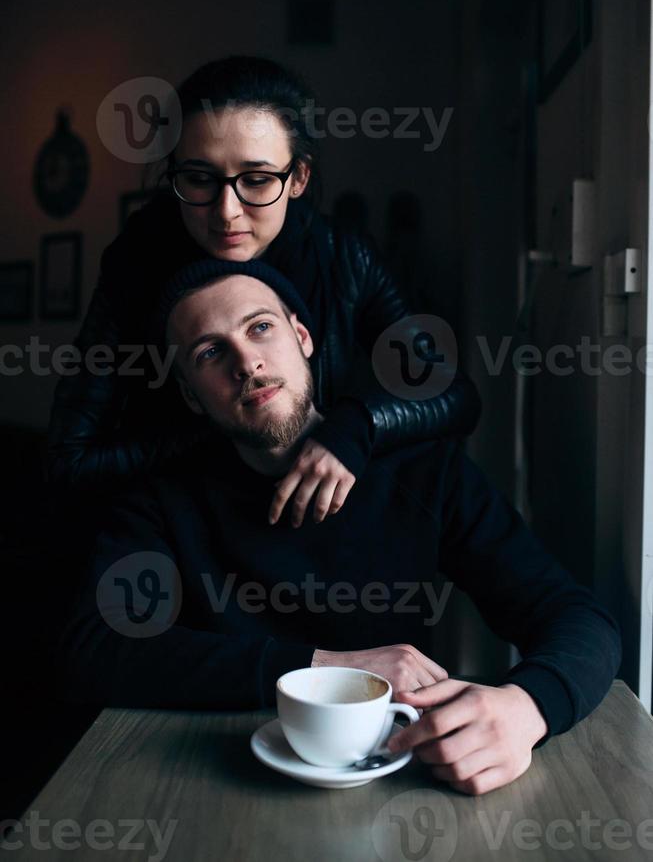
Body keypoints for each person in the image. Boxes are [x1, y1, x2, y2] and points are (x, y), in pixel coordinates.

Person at [56, 261, 621, 796]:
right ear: (189, 393)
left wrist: (530, 708)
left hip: (391, 774)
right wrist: (324, 668)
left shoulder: (427, 473)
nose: (246, 362)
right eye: (209, 352)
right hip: (211, 772)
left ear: (302, 336)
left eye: (260, 327)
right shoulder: (160, 495)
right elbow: (97, 646)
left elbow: (577, 619)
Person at [46, 55, 480, 526]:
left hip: (317, 527)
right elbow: (70, 461)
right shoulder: (136, 260)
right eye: (198, 178)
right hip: (185, 532)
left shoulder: (344, 258)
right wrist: (228, 426)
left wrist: (357, 426)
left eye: (256, 180)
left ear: (298, 178)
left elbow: (454, 393)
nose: (226, 211)